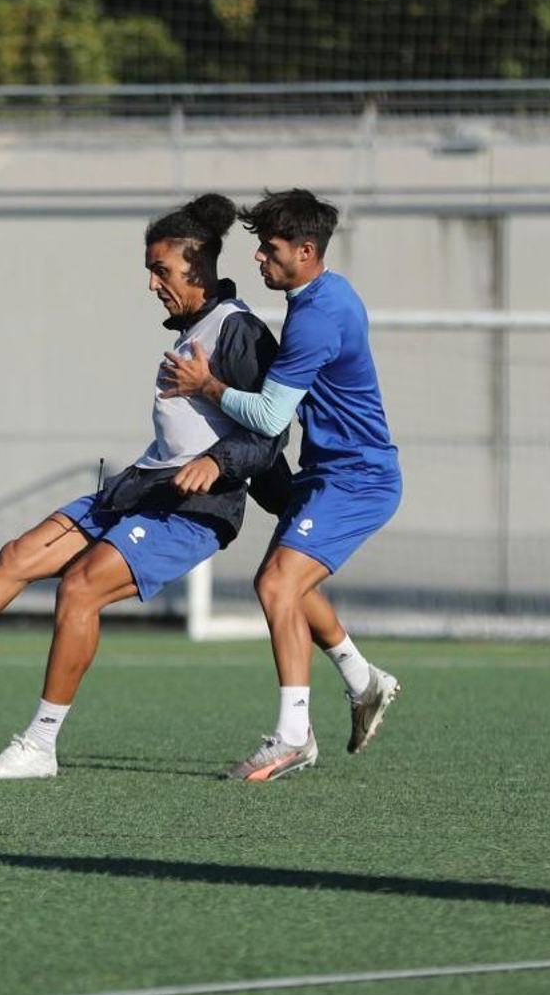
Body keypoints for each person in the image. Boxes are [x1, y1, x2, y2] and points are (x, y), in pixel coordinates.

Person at [0, 194, 287, 778]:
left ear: (198, 266)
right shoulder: (191, 330)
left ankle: (40, 744)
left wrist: (222, 463)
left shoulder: (240, 331)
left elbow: (271, 435)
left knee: (79, 588)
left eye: (161, 270)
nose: (151, 284)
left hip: (195, 508)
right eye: (149, 270)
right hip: (141, 486)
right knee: (17, 555)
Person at [160, 188, 402, 781]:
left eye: (269, 249)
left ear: (306, 250)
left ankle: (294, 736)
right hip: (329, 472)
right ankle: (363, 679)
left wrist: (207, 385)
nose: (259, 259)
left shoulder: (318, 316)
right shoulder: (325, 292)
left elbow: (269, 418)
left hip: (358, 478)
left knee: (275, 584)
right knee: (290, 587)